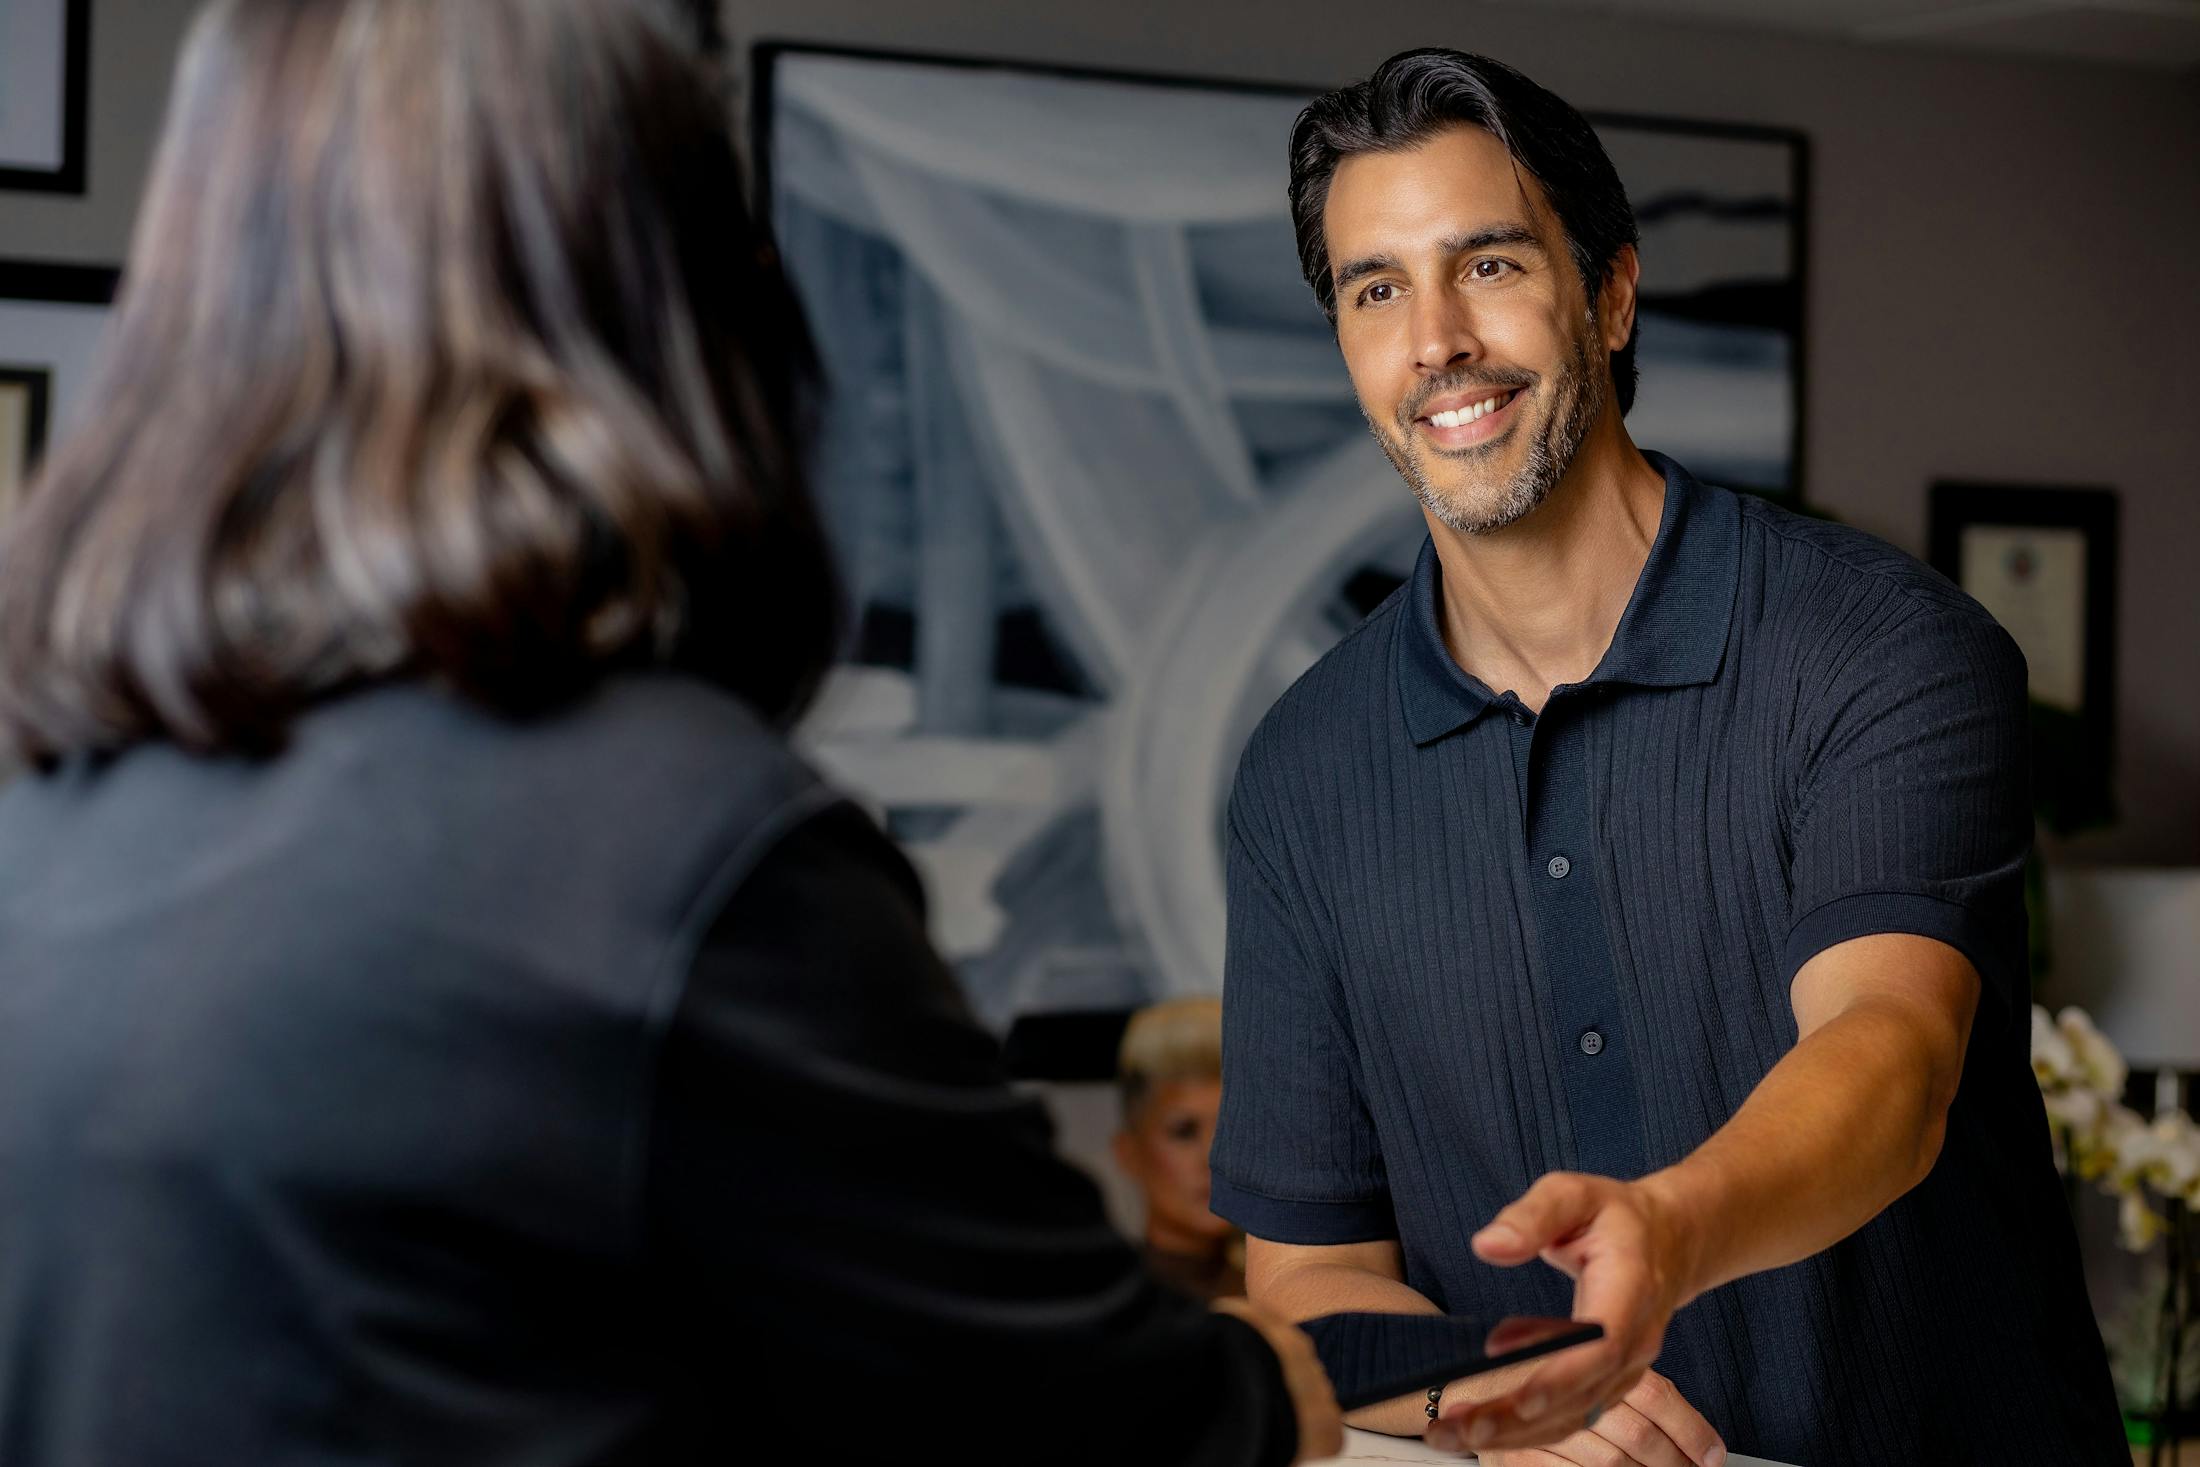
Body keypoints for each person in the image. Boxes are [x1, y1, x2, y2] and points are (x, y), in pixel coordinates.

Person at [0, 3, 1343, 1464]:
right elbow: (1119, 1430)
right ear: (687, 304)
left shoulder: (48, 840)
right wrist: (1275, 1375)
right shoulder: (683, 854)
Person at [1208, 46, 2126, 1467]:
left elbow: (1890, 1055)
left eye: (1491, 265)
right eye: (1374, 289)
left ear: (1612, 293)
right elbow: (1305, 1274)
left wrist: (1671, 1227)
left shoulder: (1881, 647)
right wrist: (1493, 1390)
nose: (1434, 337)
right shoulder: (1302, 771)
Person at [1113, 998, 1247, 1300]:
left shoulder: (1286, 1301)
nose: (1214, 1157)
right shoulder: (1102, 1304)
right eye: (1184, 1132)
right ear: (1128, 1152)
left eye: (1232, 1127)